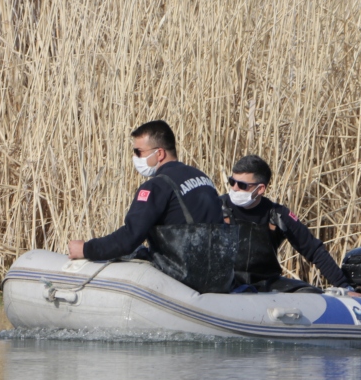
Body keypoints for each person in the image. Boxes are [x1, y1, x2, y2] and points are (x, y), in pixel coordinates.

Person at [68, 120, 236, 293]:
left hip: (183, 278)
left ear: (159, 153)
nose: (135, 158)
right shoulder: (202, 177)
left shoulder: (156, 186)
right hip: (218, 277)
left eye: (138, 152)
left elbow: (129, 238)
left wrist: (87, 249)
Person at [220, 154, 358, 295]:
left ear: (260, 189)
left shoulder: (278, 214)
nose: (235, 188)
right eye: (232, 182)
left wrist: (344, 286)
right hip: (226, 281)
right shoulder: (217, 207)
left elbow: (313, 249)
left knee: (310, 293)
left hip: (266, 282)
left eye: (242, 185)